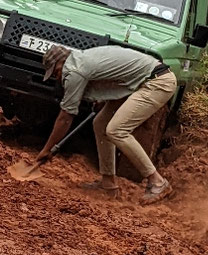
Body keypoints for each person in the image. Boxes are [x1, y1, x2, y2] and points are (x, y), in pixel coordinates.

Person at [36, 44, 177, 203]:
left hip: (156, 83)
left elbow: (65, 117)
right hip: (141, 81)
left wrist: (47, 149)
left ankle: (158, 182)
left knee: (117, 130)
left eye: (56, 72)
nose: (58, 77)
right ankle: (108, 183)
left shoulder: (73, 70)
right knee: (101, 124)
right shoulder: (81, 58)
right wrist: (103, 98)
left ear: (60, 63)